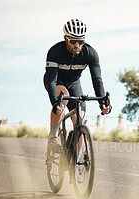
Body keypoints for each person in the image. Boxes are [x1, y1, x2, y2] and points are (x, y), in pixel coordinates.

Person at [44, 19, 111, 151]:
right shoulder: (55, 51)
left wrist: (103, 102)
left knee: (79, 119)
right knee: (63, 98)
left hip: (74, 83)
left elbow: (97, 80)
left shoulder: (90, 53)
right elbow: (51, 81)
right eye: (73, 41)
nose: (77, 45)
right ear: (65, 38)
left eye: (81, 41)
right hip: (56, 81)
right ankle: (53, 137)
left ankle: (74, 163)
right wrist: (55, 103)